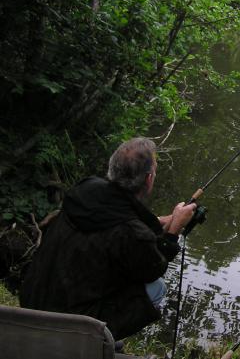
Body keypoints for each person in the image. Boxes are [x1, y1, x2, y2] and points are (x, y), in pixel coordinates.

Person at [19, 137, 196, 339]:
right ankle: (98, 340)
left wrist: (168, 219)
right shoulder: (131, 233)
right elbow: (154, 267)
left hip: (32, 300)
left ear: (112, 168)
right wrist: (173, 231)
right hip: (71, 325)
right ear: (148, 179)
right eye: (154, 171)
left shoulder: (85, 189)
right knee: (157, 287)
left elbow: (120, 214)